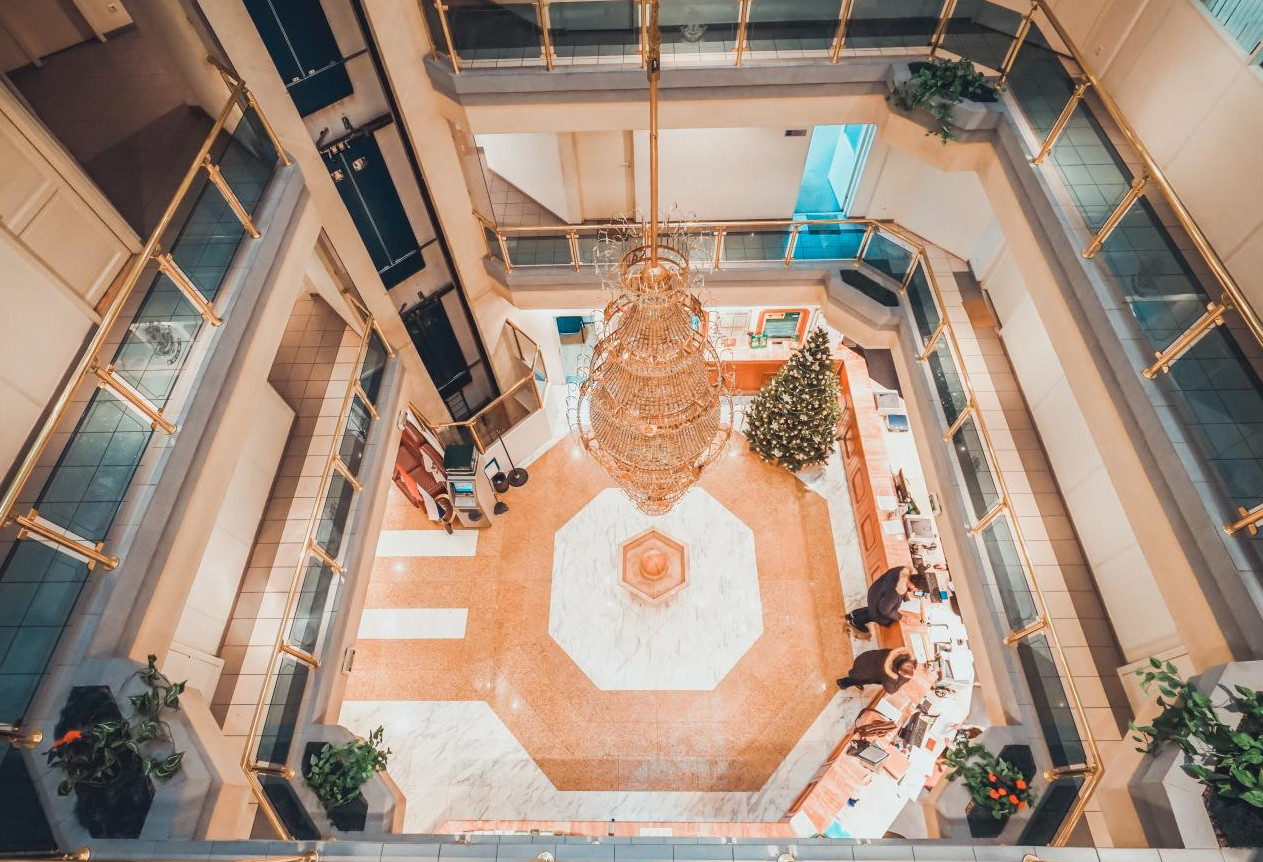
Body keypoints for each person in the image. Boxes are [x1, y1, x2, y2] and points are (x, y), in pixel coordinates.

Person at [846, 565, 912, 638]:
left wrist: (905, 597)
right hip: (877, 597)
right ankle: (856, 622)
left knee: (872, 609)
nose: (914, 590)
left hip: (876, 590)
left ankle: (852, 614)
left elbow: (900, 584)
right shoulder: (895, 593)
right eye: (915, 588)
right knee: (878, 615)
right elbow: (884, 610)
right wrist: (900, 617)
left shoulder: (902, 571)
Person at [837, 646, 917, 694]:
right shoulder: (888, 672)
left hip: (868, 658)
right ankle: (843, 683)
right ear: (898, 672)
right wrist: (891, 675)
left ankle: (855, 679)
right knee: (856, 679)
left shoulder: (903, 655)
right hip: (866, 670)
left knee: (860, 677)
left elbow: (914, 662)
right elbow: (891, 690)